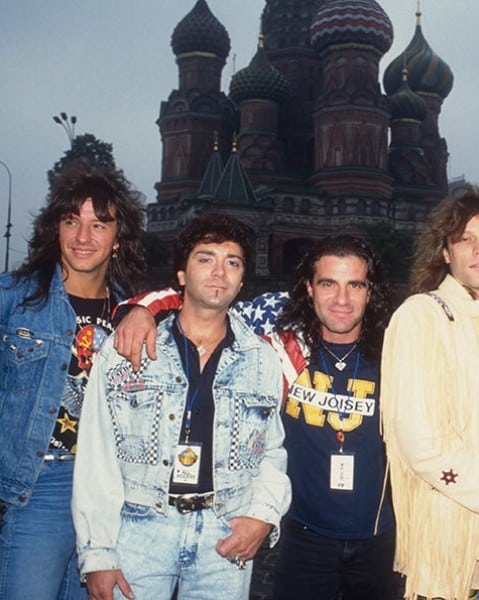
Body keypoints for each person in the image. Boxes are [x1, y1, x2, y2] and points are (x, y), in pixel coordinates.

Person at [110, 234, 399, 600]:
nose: (341, 299)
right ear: (309, 288)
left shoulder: (396, 350)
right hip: (304, 539)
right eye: (328, 283)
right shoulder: (277, 340)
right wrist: (140, 309)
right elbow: (205, 303)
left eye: (355, 285)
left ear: (370, 292)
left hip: (379, 539)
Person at [71, 212, 290, 600]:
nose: (219, 272)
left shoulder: (262, 360)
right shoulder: (127, 350)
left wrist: (262, 515)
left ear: (242, 279)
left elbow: (271, 451)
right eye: (206, 259)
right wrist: (98, 553)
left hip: (224, 534)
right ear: (182, 275)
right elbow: (95, 454)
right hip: (138, 529)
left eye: (232, 262)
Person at [380, 186, 479, 600]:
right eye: (464, 239)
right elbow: (422, 441)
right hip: (450, 535)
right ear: (446, 253)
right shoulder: (421, 316)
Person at [0, 159, 145, 599]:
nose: (84, 237)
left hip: (107, 497)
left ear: (118, 238)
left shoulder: (132, 316)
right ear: (55, 230)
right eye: (71, 221)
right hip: (38, 487)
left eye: (100, 224)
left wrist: (146, 310)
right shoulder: (15, 298)